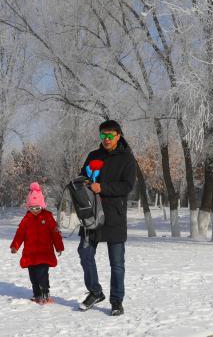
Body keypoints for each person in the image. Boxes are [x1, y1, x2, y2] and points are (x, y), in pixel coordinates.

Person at [77, 120, 137, 316]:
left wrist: (102, 187)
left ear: (118, 136)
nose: (106, 139)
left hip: (114, 216)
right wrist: (82, 182)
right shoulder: (93, 156)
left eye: (110, 135)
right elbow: (83, 175)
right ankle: (95, 292)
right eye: (103, 135)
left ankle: (117, 301)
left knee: (117, 263)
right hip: (91, 215)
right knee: (85, 253)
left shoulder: (127, 158)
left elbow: (127, 186)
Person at [10, 182, 65, 304]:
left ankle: (45, 293)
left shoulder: (48, 217)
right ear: (28, 207)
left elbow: (55, 233)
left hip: (44, 253)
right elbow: (20, 234)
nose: (34, 211)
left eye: (37, 208)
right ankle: (37, 294)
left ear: (42, 206)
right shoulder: (26, 219)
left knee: (42, 274)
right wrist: (15, 246)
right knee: (33, 276)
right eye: (32, 208)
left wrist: (59, 247)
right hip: (30, 253)